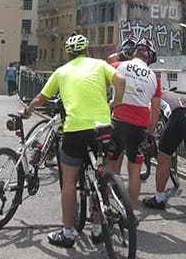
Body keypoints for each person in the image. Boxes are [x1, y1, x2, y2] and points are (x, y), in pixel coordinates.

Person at [20, 32, 125, 249]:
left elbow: (41, 98)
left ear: (68, 54)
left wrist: (28, 111)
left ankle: (67, 234)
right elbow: (121, 80)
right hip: (102, 128)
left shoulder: (61, 71)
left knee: (69, 181)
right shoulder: (99, 65)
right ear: (87, 50)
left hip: (76, 129)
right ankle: (98, 229)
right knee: (100, 176)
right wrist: (115, 102)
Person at [107, 37, 161, 205]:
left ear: (134, 52)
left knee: (111, 165)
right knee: (135, 171)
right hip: (140, 126)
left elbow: (108, 63)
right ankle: (130, 213)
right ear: (150, 57)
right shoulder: (155, 78)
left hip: (118, 121)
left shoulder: (119, 66)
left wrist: (123, 54)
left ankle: (106, 205)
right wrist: (150, 134)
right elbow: (156, 111)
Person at [142, 89, 186, 209]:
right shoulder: (174, 95)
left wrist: (149, 134)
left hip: (179, 116)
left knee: (163, 158)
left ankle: (159, 199)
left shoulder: (155, 97)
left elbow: (152, 114)